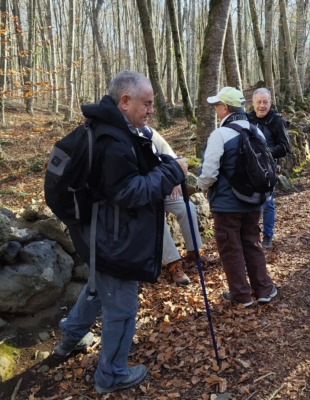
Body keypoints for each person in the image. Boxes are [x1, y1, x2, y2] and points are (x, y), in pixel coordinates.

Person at [53, 71, 187, 394]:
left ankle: (70, 337)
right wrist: (173, 170)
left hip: (96, 233)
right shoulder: (113, 140)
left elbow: (123, 177)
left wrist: (159, 166)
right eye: (147, 103)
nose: (151, 110)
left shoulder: (109, 128)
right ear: (125, 101)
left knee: (98, 288)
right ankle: (110, 375)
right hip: (112, 241)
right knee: (123, 308)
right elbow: (130, 191)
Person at [198, 86, 277, 307]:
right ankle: (264, 289)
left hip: (227, 205)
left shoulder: (220, 134)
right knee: (252, 243)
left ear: (225, 107)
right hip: (253, 200)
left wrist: (202, 187)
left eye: (217, 105)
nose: (216, 110)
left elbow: (209, 172)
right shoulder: (256, 131)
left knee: (230, 248)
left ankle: (241, 295)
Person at [142, 125, 204, 285]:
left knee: (187, 208)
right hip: (144, 193)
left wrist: (175, 179)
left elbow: (172, 157)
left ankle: (194, 252)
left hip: (163, 186)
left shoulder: (147, 131)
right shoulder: (121, 134)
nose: (149, 113)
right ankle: (173, 264)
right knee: (157, 220)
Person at [247, 88, 290, 249]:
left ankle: (267, 236)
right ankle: (251, 236)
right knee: (249, 203)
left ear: (270, 102)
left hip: (268, 170)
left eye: (265, 102)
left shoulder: (276, 121)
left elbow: (285, 147)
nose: (262, 106)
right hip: (249, 169)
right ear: (253, 103)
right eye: (259, 102)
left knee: (267, 203)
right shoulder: (247, 119)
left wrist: (266, 152)